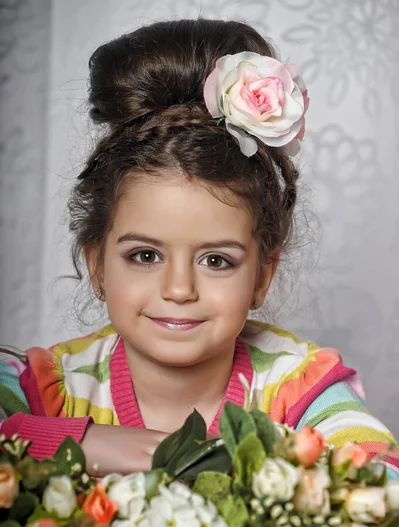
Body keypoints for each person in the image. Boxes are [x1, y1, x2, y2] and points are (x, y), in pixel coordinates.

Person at [0, 18, 398, 478]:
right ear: (97, 263)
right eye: (145, 256)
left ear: (262, 276)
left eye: (216, 260)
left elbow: (382, 481)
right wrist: (82, 441)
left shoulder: (299, 387)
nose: (180, 289)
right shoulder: (47, 388)